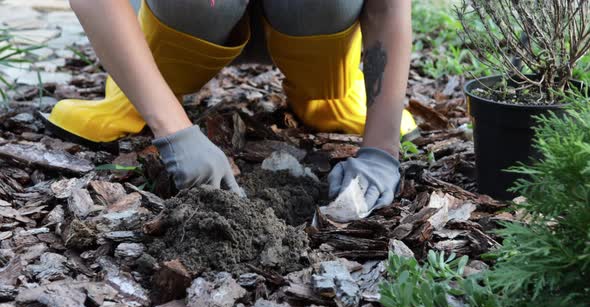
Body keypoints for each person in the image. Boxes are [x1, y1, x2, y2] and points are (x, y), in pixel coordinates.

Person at [46, 0, 413, 212]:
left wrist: (381, 150)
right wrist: (172, 129)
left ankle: (324, 95)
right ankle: (141, 94)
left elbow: (387, 7)